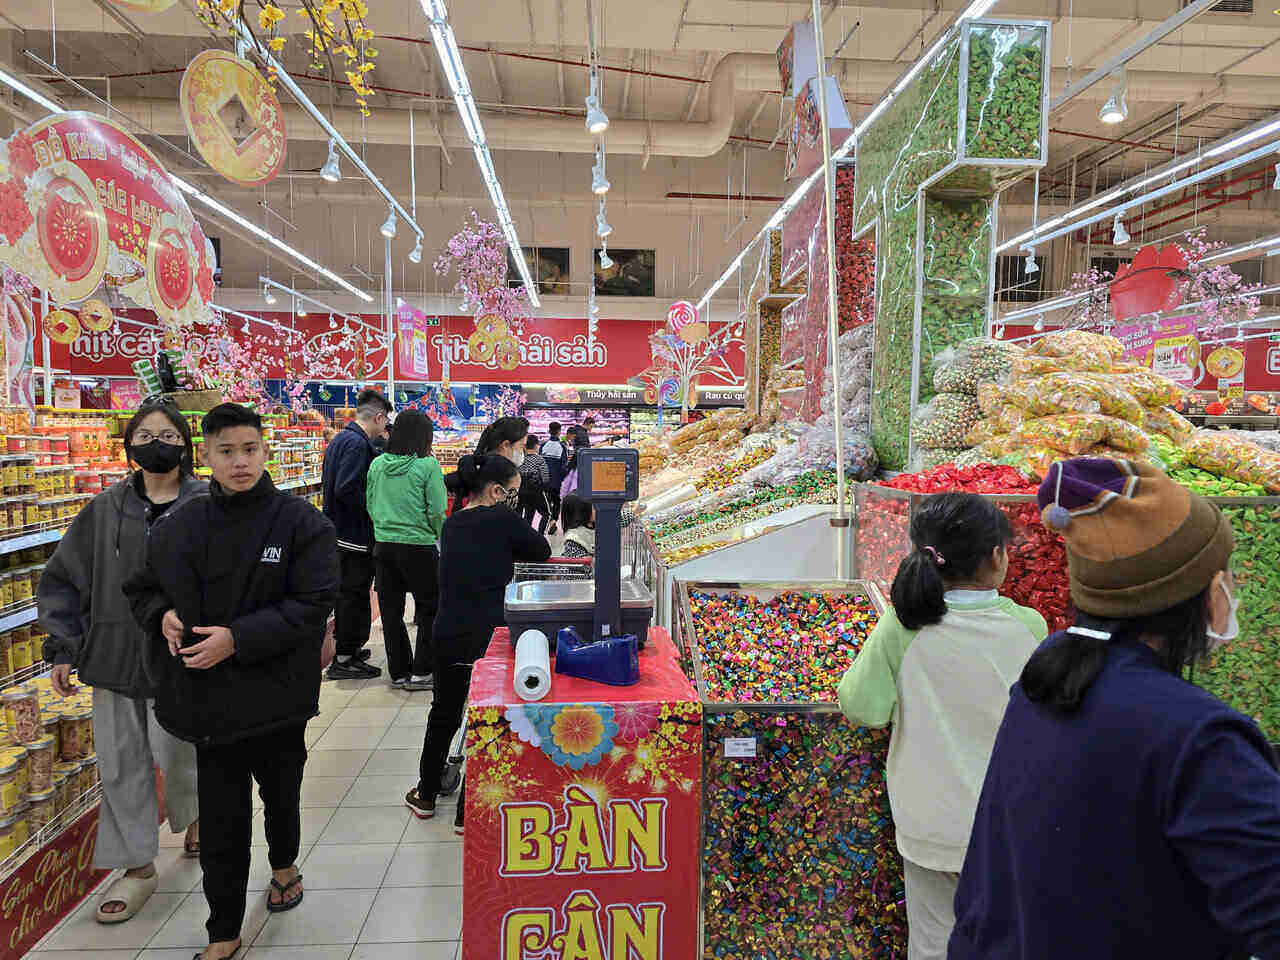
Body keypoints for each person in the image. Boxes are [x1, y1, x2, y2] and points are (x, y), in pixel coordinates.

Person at [950, 458, 1280, 960]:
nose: (1231, 588)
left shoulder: (1045, 681)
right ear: (1206, 592)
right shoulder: (1200, 737)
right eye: (1227, 574)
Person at [124, 403, 340, 960]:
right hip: (208, 702)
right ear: (208, 455)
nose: (240, 462)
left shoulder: (300, 523)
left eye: (249, 449)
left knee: (281, 791)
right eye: (226, 451)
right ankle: (224, 931)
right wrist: (162, 617)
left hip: (278, 696)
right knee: (222, 818)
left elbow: (313, 604)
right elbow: (143, 589)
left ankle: (285, 864)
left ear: (265, 451)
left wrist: (236, 638)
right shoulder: (181, 526)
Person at [838, 493, 1045, 960]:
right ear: (996, 557)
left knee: (934, 942)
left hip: (929, 824)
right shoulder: (1029, 627)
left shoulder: (903, 626)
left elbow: (862, 707)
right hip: (1007, 824)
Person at [37, 397, 204, 925]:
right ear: (129, 445)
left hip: (185, 656)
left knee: (184, 754)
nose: (158, 444)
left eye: (169, 435)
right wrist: (64, 645)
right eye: (146, 435)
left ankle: (196, 815)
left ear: (186, 444)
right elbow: (67, 575)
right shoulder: (106, 508)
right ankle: (136, 866)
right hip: (112, 654)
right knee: (121, 761)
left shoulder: (207, 501)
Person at [405, 453, 550, 832]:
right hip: (491, 635)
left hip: (448, 629)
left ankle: (426, 792)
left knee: (444, 713)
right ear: (497, 490)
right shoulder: (503, 519)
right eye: (513, 492)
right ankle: (467, 811)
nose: (516, 499)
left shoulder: (452, 525)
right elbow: (541, 550)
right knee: (485, 715)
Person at [366, 410, 447, 692]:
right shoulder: (428, 466)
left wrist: (384, 529)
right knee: (429, 608)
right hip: (420, 546)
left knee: (390, 612)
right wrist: (438, 535)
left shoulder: (377, 465)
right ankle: (423, 672)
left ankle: (399, 672)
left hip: (384, 546)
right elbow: (437, 509)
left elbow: (370, 503)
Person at [321, 388, 390, 680]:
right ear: (378, 417)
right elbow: (346, 487)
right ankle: (345, 657)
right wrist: (376, 506)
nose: (385, 428)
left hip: (341, 532)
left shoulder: (343, 439)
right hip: (352, 535)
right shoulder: (356, 445)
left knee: (352, 593)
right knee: (353, 594)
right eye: (385, 422)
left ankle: (350, 649)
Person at [445, 415, 529, 513]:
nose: (523, 452)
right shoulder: (481, 477)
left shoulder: (474, 469)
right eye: (521, 446)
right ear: (505, 445)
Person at [557, 494, 638, 559]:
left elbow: (616, 519)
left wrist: (635, 510)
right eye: (594, 508)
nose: (598, 509)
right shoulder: (573, 538)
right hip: (584, 578)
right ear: (582, 512)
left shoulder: (595, 523)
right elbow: (579, 565)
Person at [518, 435, 552, 529]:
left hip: (522, 491)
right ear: (537, 446)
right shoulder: (539, 460)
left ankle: (525, 536)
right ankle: (541, 536)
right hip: (537, 491)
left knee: (528, 515)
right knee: (547, 514)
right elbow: (545, 478)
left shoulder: (520, 459)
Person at [539, 422, 568, 533]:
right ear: (559, 431)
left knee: (546, 501)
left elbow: (540, 463)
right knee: (556, 501)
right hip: (556, 482)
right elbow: (563, 467)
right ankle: (553, 521)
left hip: (544, 481)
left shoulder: (543, 445)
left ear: (549, 430)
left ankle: (548, 521)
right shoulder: (562, 447)